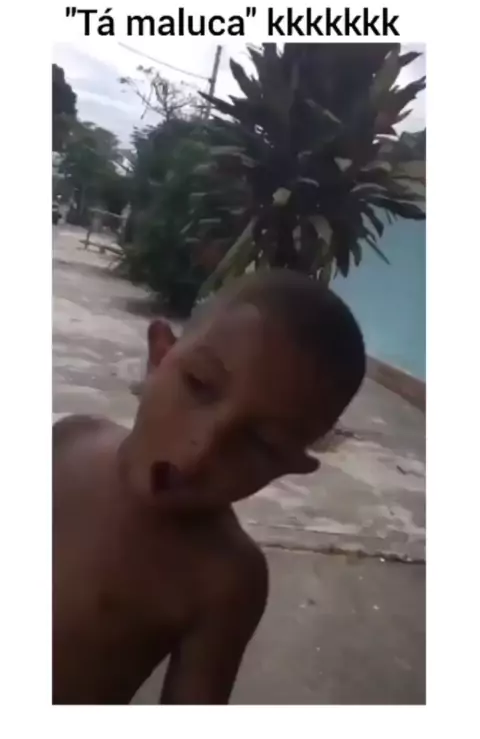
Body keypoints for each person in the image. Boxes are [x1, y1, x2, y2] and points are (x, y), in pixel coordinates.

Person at [53, 269, 366, 705]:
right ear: (159, 356)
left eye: (261, 443)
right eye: (199, 384)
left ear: (285, 467)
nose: (197, 453)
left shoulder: (226, 580)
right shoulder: (70, 440)